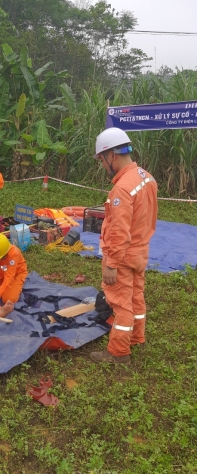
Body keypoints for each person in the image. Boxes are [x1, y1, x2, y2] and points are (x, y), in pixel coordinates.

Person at [89, 127, 158, 365]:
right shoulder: (146, 177)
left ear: (112, 156)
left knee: (120, 303)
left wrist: (111, 263)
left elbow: (118, 231)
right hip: (140, 252)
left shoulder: (121, 189)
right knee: (137, 297)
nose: (102, 165)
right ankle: (136, 336)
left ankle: (118, 352)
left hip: (124, 256)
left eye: (101, 160)